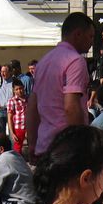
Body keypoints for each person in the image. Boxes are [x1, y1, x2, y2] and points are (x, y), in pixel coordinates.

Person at [25, 12, 94, 160]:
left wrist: (32, 143)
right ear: (78, 34)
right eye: (90, 36)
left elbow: (32, 105)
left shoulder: (44, 61)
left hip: (44, 146)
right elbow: (71, 106)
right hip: (66, 149)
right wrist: (80, 146)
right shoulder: (75, 61)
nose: (92, 42)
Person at [0, 63, 16, 136]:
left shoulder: (14, 81)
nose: (2, 73)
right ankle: (3, 147)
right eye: (1, 71)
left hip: (11, 110)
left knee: (11, 132)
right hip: (1, 109)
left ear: (10, 72)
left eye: (4, 71)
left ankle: (11, 147)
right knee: (1, 133)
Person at [6, 81, 28, 153]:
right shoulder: (12, 101)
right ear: (14, 90)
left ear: (24, 88)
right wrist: (12, 133)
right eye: (17, 89)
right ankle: (17, 162)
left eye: (21, 88)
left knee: (32, 145)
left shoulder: (29, 98)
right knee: (17, 147)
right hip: (18, 127)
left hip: (29, 126)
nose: (19, 91)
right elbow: (9, 117)